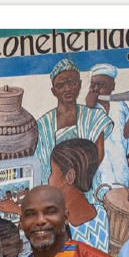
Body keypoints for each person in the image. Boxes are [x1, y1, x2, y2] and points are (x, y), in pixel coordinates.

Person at [34, 59, 113, 198]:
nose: (68, 89)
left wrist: (77, 185)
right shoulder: (42, 125)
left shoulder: (94, 118)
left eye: (72, 82)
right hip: (54, 195)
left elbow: (97, 156)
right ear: (54, 91)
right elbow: (40, 163)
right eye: (60, 85)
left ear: (80, 85)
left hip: (87, 192)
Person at [84, 62, 129, 190]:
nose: (96, 89)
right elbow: (85, 137)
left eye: (101, 85)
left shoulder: (119, 106)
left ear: (112, 86)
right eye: (93, 84)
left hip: (119, 165)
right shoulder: (87, 110)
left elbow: (126, 134)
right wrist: (89, 109)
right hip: (98, 169)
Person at [48, 138, 111, 251]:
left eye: (52, 172)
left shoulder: (64, 224)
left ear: (70, 176)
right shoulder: (101, 212)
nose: (49, 179)